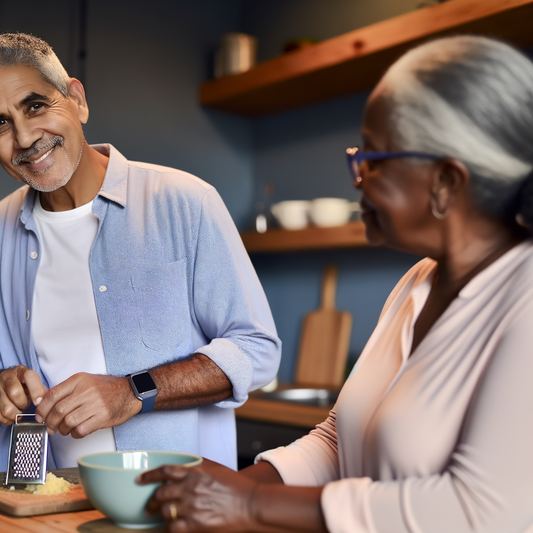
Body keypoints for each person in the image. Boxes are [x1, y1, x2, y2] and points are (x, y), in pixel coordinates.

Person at [137, 35, 533, 533]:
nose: (357, 177)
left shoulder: (525, 299)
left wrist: (251, 509)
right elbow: (340, 440)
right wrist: (246, 483)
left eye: (375, 159)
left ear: (446, 182)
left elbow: (478, 510)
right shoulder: (419, 283)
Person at [0, 33, 281, 471]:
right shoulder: (0, 229)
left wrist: (132, 392)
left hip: (173, 506)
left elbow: (257, 349)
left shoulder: (185, 201)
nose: (23, 137)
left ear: (77, 100)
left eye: (35, 106)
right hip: (48, 510)